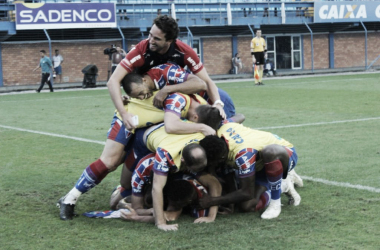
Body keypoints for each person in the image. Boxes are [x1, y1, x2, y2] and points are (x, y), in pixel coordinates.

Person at [56, 64, 208, 221]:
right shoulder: (178, 98)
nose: (143, 97)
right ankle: (70, 199)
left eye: (141, 94)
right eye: (138, 96)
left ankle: (127, 194)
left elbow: (201, 83)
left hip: (149, 128)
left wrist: (165, 90)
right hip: (130, 119)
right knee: (110, 162)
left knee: (126, 183)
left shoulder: (170, 78)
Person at [108, 15, 226, 132]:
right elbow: (113, 81)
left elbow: (206, 81)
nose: (151, 41)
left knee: (222, 97)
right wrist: (124, 113)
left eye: (157, 39)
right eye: (150, 35)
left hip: (176, 91)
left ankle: (227, 125)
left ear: (169, 40)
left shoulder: (185, 51)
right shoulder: (140, 51)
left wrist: (218, 103)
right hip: (149, 95)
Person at [198, 121, 301, 220]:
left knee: (269, 152)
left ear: (221, 158)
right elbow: (239, 117)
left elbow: (247, 193)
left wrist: (213, 201)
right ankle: (284, 185)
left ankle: (275, 202)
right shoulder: (222, 129)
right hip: (260, 164)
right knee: (247, 206)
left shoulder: (243, 155)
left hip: (284, 154)